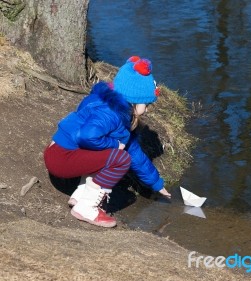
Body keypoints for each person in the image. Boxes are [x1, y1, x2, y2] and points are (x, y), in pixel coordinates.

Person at [43, 55, 171, 228]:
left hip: (60, 153)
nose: (147, 109)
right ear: (133, 98)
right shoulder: (110, 115)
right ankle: (87, 207)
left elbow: (134, 152)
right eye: (146, 104)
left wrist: (156, 183)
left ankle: (80, 195)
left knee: (109, 152)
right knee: (119, 158)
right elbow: (86, 136)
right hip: (62, 159)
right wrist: (114, 145)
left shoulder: (110, 108)